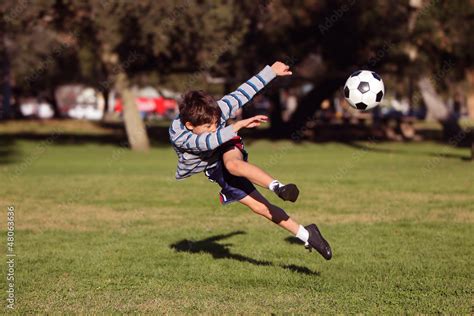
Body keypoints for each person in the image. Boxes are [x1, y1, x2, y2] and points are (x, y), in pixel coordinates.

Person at [169, 62, 332, 260]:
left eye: (215, 122)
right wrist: (237, 126)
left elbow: (242, 93)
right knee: (260, 207)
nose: (214, 126)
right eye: (208, 125)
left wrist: (271, 72)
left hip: (227, 146)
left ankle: (279, 187)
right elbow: (206, 141)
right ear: (189, 125)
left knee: (233, 164)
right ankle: (308, 234)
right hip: (212, 165)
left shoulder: (217, 110)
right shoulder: (178, 134)